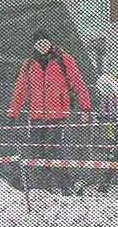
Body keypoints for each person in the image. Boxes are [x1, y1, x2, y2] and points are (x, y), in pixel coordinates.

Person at [6, 29, 90, 195]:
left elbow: (78, 84)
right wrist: (12, 113)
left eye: (45, 42)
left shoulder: (64, 60)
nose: (42, 45)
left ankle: (66, 186)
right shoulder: (29, 64)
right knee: (37, 151)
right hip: (37, 115)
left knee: (53, 150)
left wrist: (85, 107)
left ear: (50, 42)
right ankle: (44, 187)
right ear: (34, 44)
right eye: (39, 42)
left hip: (57, 114)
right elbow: (20, 90)